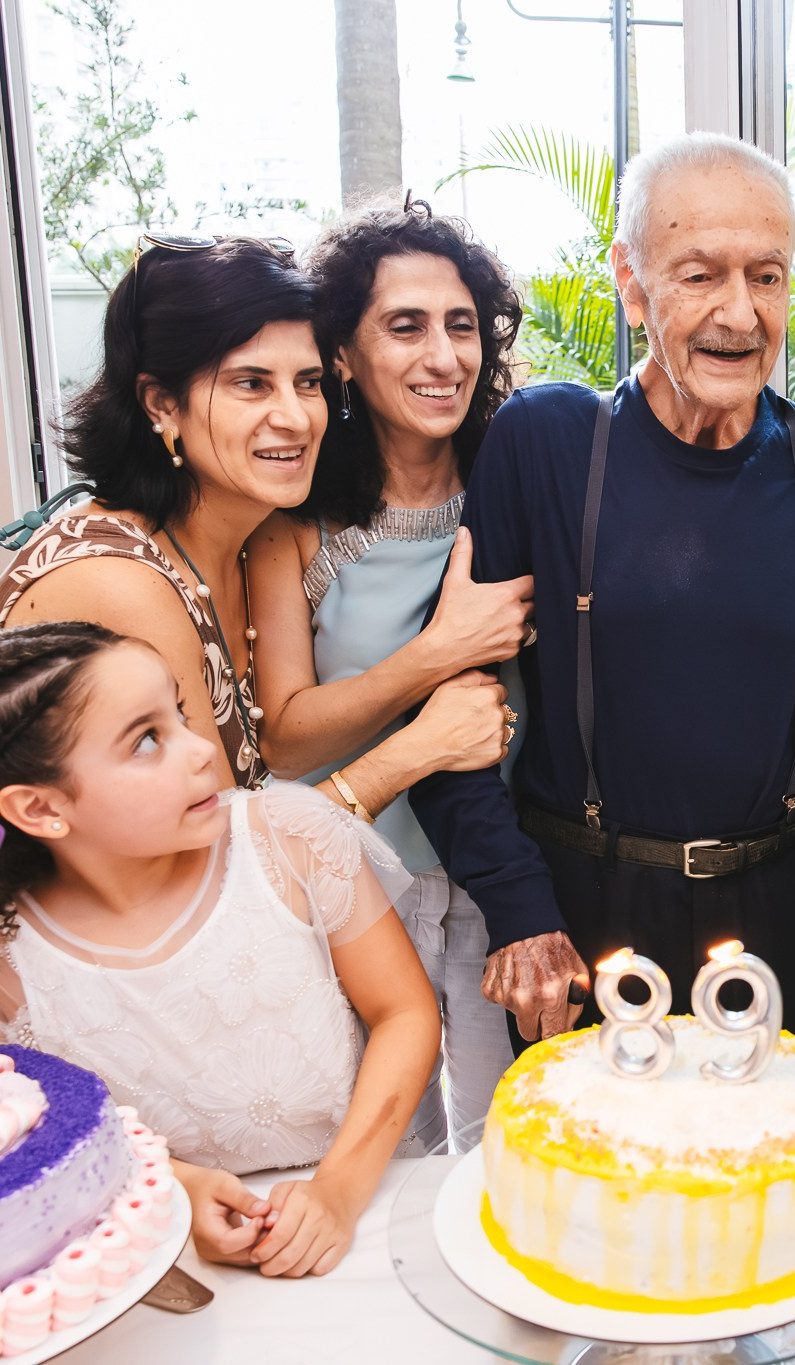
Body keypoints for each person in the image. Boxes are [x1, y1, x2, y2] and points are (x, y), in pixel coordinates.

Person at [407, 133, 795, 1118]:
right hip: (583, 914)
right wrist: (517, 911)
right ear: (632, 286)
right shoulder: (545, 445)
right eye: (700, 274)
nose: (740, 313)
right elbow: (454, 706)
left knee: (772, 1213)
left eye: (766, 276)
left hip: (786, 915)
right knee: (604, 1210)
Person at [0, 622, 440, 1278]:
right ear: (41, 808)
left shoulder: (288, 840)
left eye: (181, 714)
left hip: (366, 1215)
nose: (201, 750)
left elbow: (405, 1014)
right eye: (147, 740)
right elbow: (30, 1127)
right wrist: (175, 1183)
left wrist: (338, 1191)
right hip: (162, 1254)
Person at [0, 236, 508, 816]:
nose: (296, 417)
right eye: (252, 384)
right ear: (160, 404)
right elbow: (223, 867)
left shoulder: (244, 545)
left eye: (308, 383)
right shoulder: (119, 581)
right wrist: (415, 751)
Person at [245, 199, 534, 1150]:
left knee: (512, 1140)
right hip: (365, 883)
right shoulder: (297, 525)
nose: (443, 356)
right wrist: (439, 653)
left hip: (509, 875)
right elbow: (287, 732)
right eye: (404, 327)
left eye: (462, 326)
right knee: (391, 1145)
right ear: (343, 356)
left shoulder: (522, 487)